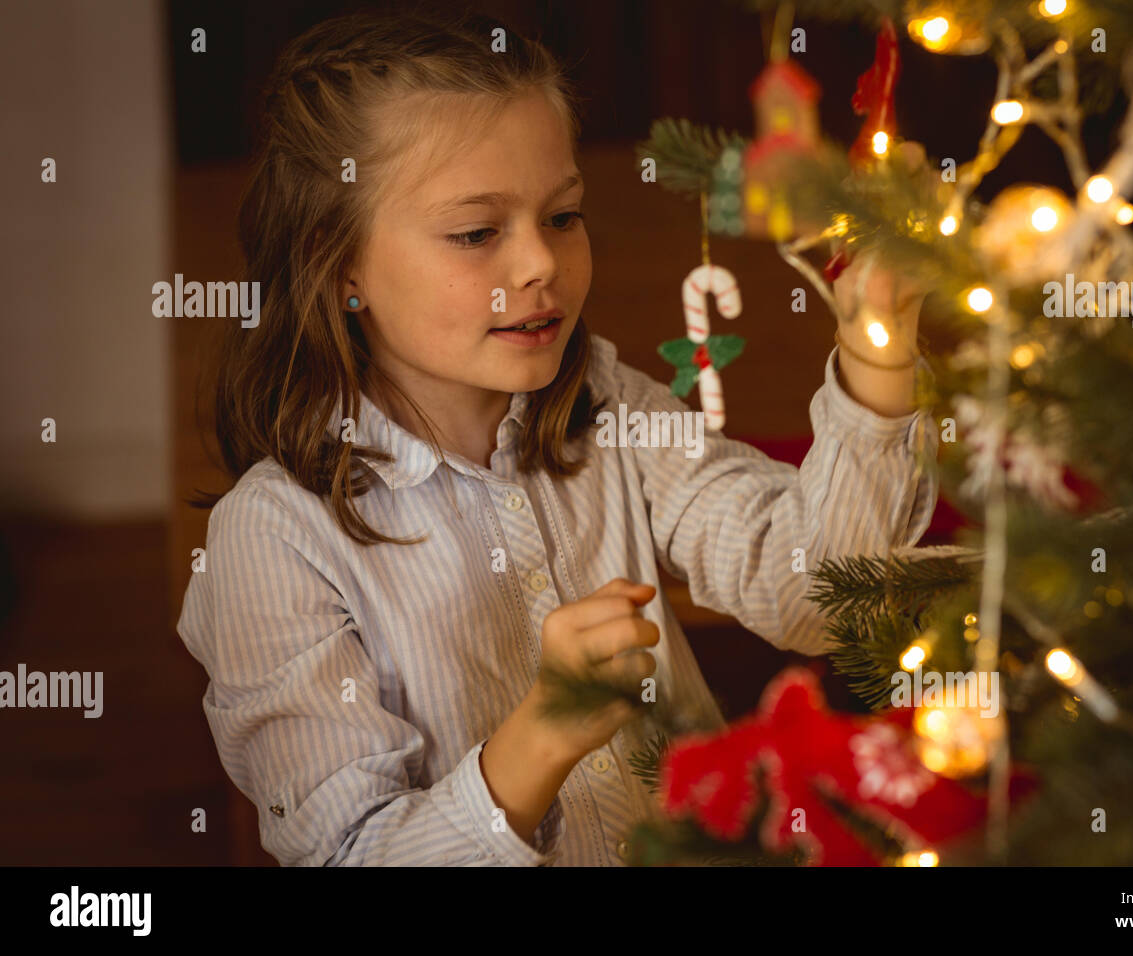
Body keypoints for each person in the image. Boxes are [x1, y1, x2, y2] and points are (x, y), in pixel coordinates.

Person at [176, 7, 939, 866]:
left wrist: (880, 342)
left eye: (563, 216)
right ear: (340, 261)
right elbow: (353, 852)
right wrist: (544, 734)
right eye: (477, 232)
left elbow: (820, 594)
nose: (540, 262)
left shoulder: (610, 409)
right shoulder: (271, 541)